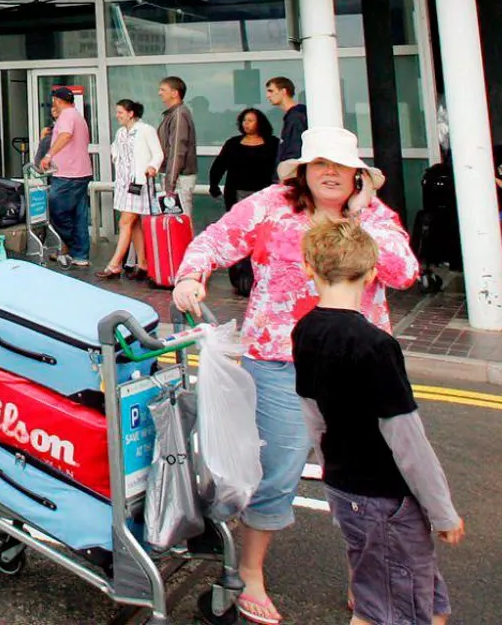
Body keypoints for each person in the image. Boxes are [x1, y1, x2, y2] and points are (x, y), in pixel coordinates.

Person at [172, 127, 420, 625]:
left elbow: (404, 272)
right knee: (279, 468)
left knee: (367, 477)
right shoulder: (272, 204)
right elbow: (214, 242)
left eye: (341, 166)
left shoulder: (374, 216)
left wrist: (358, 224)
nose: (330, 173)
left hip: (355, 366)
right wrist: (189, 276)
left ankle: (366, 581)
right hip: (280, 360)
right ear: (303, 171)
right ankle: (249, 573)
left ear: (357, 175)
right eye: (319, 164)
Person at [295, 218, 464, 625]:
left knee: (421, 601)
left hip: (345, 488)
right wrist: (442, 511)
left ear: (307, 268)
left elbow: (312, 413)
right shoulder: (376, 345)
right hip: (388, 498)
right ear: (373, 273)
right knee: (388, 611)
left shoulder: (304, 330)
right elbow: (406, 438)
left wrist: (330, 467)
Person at [98, 100, 162, 278]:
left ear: (131, 113)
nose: (117, 115)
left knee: (125, 222)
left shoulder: (146, 130)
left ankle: (115, 264)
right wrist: (116, 157)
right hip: (123, 183)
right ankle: (143, 264)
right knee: (134, 225)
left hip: (139, 183)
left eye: (120, 112)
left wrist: (152, 166)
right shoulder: (120, 132)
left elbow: (158, 153)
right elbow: (115, 148)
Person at [38, 88, 94, 268]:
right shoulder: (77, 116)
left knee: (56, 208)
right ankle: (80, 255)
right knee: (79, 214)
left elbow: (65, 135)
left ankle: (72, 244)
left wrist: (48, 155)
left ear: (57, 100)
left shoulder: (67, 116)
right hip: (81, 171)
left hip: (68, 173)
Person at [209, 108, 281, 210]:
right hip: (237, 193)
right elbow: (219, 166)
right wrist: (213, 186)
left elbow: (280, 166)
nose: (246, 123)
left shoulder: (272, 143)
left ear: (260, 123)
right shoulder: (232, 143)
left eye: (250, 121)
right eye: (244, 120)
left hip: (264, 194)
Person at [155, 76, 198, 219]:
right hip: (175, 177)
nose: (159, 93)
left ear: (175, 93)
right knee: (174, 223)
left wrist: (169, 184)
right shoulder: (173, 114)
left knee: (181, 222)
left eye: (163, 89)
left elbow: (177, 150)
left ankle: (188, 243)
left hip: (179, 178)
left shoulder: (179, 115)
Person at [268, 76, 308, 166]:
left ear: (283, 91)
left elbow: (295, 150)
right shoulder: (294, 115)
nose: (268, 95)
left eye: (271, 91)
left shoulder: (296, 116)